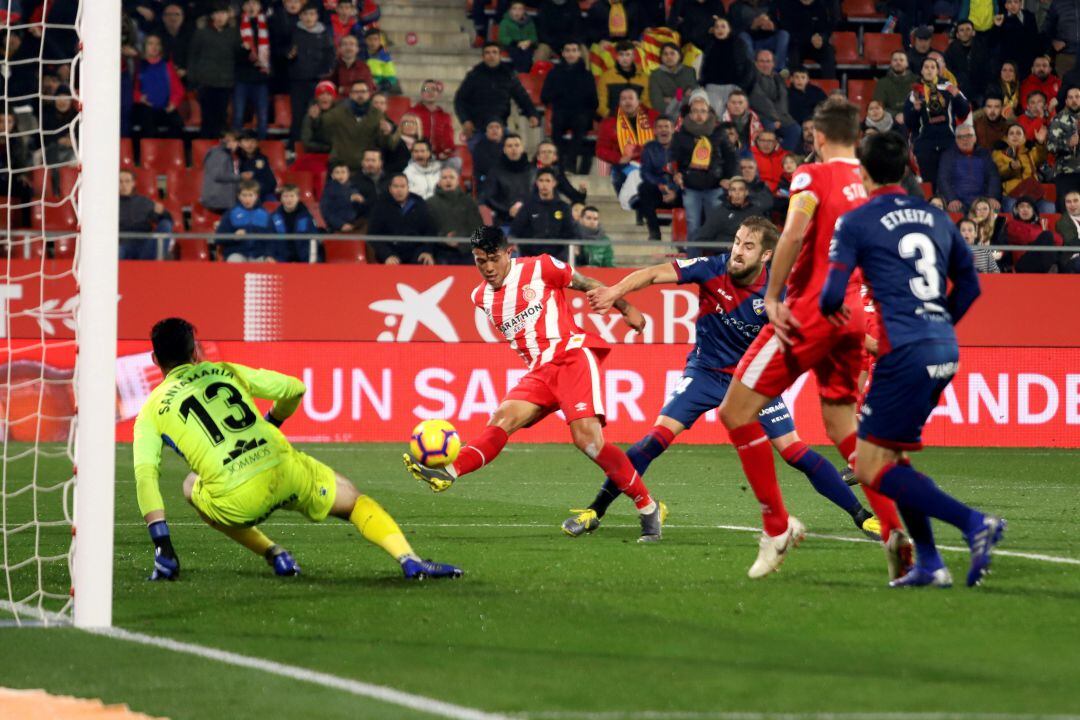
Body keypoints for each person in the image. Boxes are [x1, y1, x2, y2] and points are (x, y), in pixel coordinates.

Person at [581, 217, 880, 538]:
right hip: (705, 373)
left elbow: (826, 325)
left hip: (753, 382)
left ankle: (862, 516)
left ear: (766, 255)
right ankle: (596, 509)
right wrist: (615, 291)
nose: (738, 251)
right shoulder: (712, 268)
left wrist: (878, 347)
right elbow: (653, 273)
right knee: (655, 440)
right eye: (737, 242)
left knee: (794, 451)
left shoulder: (778, 291)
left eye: (748, 246)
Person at [716, 97, 907, 579]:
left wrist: (773, 295)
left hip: (809, 311)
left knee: (735, 412)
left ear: (818, 136)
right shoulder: (871, 184)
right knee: (841, 425)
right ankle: (893, 530)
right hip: (851, 314)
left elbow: (793, 234)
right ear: (856, 136)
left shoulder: (811, 175)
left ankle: (776, 527)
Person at [133, 318, 461, 582]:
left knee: (191, 485)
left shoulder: (150, 411)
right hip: (284, 470)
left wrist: (163, 544)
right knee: (353, 501)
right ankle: (410, 559)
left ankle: (274, 553)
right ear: (195, 352)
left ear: (155, 359)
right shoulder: (224, 370)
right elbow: (295, 388)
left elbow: (146, 476)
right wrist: (273, 421)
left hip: (237, 501)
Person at [820, 130, 1003, 588]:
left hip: (902, 352)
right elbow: (972, 284)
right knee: (894, 456)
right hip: (943, 347)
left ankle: (974, 523)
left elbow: (831, 296)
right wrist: (937, 325)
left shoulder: (857, 220)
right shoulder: (936, 217)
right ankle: (929, 563)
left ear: (863, 172)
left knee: (869, 466)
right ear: (905, 170)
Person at [403, 226, 666, 542]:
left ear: (508, 252)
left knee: (588, 441)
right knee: (502, 419)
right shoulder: (480, 297)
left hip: (570, 355)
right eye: (480, 261)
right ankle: (449, 470)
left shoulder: (541, 266)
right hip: (540, 371)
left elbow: (586, 284)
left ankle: (648, 508)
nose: (488, 268)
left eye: (494, 259)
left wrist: (626, 308)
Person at [672, 91, 735, 247]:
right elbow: (674, 159)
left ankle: (715, 259)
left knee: (715, 225)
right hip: (690, 186)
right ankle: (692, 258)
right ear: (689, 113)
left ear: (709, 112)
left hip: (714, 186)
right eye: (695, 111)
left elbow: (731, 157)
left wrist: (728, 178)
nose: (699, 115)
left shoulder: (719, 132)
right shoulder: (680, 134)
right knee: (693, 225)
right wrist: (676, 174)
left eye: (703, 111)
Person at [454, 43, 540, 149]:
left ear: (500, 55)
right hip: (477, 129)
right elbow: (460, 100)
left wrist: (532, 114)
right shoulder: (474, 75)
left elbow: (522, 97)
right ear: (483, 57)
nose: (491, 55)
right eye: (487, 53)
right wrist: (465, 120)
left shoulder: (508, 74)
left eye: (494, 52)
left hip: (501, 127)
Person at [904, 58, 971, 189]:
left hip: (948, 142)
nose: (929, 70)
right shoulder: (915, 93)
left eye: (932, 67)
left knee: (950, 182)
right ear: (921, 71)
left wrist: (957, 96)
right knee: (929, 184)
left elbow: (964, 111)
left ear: (937, 71)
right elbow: (909, 124)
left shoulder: (948, 87)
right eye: (926, 67)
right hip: (925, 145)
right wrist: (915, 110)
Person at [540, 41, 598, 176]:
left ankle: (570, 165)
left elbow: (593, 100)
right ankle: (559, 166)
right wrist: (558, 97)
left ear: (579, 53)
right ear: (563, 53)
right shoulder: (554, 73)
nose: (571, 53)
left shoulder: (587, 74)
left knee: (580, 125)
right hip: (561, 111)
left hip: (581, 113)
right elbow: (545, 96)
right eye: (568, 50)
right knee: (557, 127)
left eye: (574, 50)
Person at [187, 3, 240, 139]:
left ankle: (220, 147)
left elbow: (238, 56)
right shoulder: (201, 33)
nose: (220, 17)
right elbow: (193, 56)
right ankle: (205, 147)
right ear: (212, 16)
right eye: (217, 13)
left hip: (225, 83)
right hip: (206, 82)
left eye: (223, 13)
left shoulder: (234, 34)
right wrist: (193, 79)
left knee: (221, 118)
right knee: (207, 118)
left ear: (228, 15)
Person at [595, 87, 660, 194]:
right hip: (625, 165)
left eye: (631, 98)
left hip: (651, 164)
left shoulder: (654, 117)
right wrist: (619, 158)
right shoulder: (609, 123)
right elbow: (600, 149)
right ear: (619, 103)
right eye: (623, 99)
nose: (627, 102)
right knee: (624, 175)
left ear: (638, 101)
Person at [287, 4, 336, 143]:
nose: (309, 18)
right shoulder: (293, 32)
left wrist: (325, 71)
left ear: (317, 16)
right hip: (298, 80)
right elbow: (284, 51)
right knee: (298, 114)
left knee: (317, 112)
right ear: (300, 16)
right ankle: (295, 145)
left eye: (312, 14)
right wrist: (289, 55)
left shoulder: (324, 33)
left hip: (317, 81)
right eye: (306, 14)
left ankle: (316, 143)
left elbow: (330, 54)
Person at [366, 174, 437, 265]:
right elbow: (373, 235)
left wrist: (426, 251)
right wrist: (387, 255)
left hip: (416, 252)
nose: (399, 190)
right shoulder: (380, 205)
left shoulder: (419, 203)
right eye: (396, 186)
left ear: (408, 188)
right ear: (390, 188)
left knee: (425, 262)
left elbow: (430, 231)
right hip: (390, 252)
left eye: (402, 186)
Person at [509, 169, 578, 259]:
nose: (544, 184)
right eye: (541, 180)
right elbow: (515, 229)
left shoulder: (563, 207)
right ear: (537, 183)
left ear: (554, 183)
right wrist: (513, 241)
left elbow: (571, 232)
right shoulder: (528, 206)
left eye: (548, 181)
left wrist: (575, 246)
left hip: (558, 258)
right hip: (531, 257)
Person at [321, 81, 387, 174]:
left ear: (369, 94)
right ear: (351, 95)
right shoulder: (338, 112)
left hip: (366, 167)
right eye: (356, 92)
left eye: (363, 92)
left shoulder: (377, 115)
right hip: (340, 165)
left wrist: (386, 132)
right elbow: (323, 126)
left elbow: (381, 142)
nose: (360, 95)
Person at [131, 34, 184, 140]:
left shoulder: (167, 65)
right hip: (146, 107)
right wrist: (140, 98)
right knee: (148, 125)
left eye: (157, 44)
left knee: (177, 123)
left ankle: (171, 150)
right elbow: (132, 90)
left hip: (165, 107)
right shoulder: (138, 65)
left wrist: (173, 103)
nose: (154, 47)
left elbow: (178, 89)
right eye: (150, 44)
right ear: (145, 47)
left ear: (161, 47)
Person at [937, 126, 1001, 213]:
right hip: (958, 202)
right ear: (956, 140)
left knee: (995, 209)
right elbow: (943, 179)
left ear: (975, 138)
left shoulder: (984, 154)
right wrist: (951, 199)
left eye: (968, 136)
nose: (965, 140)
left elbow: (993, 176)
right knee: (954, 210)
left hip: (982, 200)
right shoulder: (948, 156)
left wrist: (992, 196)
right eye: (960, 137)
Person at [427, 166, 484, 264]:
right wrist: (444, 238)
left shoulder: (469, 202)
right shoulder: (430, 203)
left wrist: (460, 240)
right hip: (440, 252)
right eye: (444, 178)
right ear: (439, 182)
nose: (448, 180)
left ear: (457, 181)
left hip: (467, 252)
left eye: (451, 177)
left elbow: (477, 228)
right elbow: (427, 230)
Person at [994, 123, 1053, 213]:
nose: (1015, 136)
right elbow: (998, 172)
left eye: (1018, 133)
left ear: (1024, 137)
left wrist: (1040, 143)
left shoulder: (1030, 152)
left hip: (1032, 195)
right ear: (1006, 137)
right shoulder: (999, 153)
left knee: (1049, 207)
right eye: (1011, 133)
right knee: (1012, 206)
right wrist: (1010, 167)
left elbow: (1041, 157)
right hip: (1011, 195)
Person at [748, 49, 801, 151]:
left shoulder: (777, 77)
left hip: (780, 116)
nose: (765, 64)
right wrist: (776, 118)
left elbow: (783, 99)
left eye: (768, 61)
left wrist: (780, 118)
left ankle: (784, 157)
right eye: (762, 61)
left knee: (795, 130)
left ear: (773, 63)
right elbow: (760, 101)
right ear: (755, 63)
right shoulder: (752, 78)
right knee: (770, 127)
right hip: (761, 117)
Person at [699, 16, 753, 115]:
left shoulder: (739, 44)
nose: (720, 30)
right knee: (716, 115)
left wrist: (742, 86)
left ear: (729, 29)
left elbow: (748, 66)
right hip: (712, 87)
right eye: (716, 27)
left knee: (736, 114)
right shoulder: (709, 44)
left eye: (723, 26)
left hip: (734, 86)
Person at [638, 116, 680, 241]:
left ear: (673, 129)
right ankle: (655, 233)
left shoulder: (682, 148)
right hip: (658, 190)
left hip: (679, 192)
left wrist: (674, 190)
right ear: (655, 131)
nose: (663, 130)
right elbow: (645, 172)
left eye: (666, 126)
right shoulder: (649, 148)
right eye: (660, 127)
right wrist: (661, 185)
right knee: (643, 188)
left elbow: (686, 173)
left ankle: (686, 237)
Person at [234, 0, 271, 139]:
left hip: (261, 78)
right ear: (243, 6)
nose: (251, 7)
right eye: (248, 3)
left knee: (262, 116)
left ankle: (262, 145)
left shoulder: (268, 24)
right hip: (241, 77)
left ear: (260, 6)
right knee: (238, 115)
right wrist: (244, 51)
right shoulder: (236, 26)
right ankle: (235, 146)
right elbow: (232, 52)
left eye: (254, 3)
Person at [693, 175, 768, 244]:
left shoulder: (755, 212)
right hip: (725, 252)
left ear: (746, 192)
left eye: (741, 189)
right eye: (733, 190)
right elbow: (701, 239)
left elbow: (767, 235)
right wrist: (726, 246)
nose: (737, 193)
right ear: (729, 192)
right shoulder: (720, 212)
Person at [480, 133, 535, 226]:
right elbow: (489, 197)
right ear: (504, 150)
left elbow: (538, 195)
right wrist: (508, 210)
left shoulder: (533, 171)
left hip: (531, 219)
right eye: (510, 146)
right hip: (504, 220)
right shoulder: (495, 172)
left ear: (522, 148)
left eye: (517, 145)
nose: (513, 149)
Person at [119, 168, 173, 260]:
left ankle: (159, 259)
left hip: (145, 246)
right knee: (116, 252)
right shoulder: (110, 204)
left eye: (127, 181)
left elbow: (166, 220)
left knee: (166, 224)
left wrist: (162, 212)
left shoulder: (144, 202)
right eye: (120, 182)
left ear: (133, 183)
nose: (124, 185)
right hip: (122, 245)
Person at [216, 179, 275, 262]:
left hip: (259, 255)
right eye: (244, 195)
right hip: (236, 253)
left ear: (256, 196)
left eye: (250, 195)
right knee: (233, 261)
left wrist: (269, 255)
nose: (247, 199)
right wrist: (233, 237)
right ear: (239, 196)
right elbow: (218, 238)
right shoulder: (230, 213)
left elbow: (272, 240)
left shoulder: (265, 215)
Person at [779, 0, 837, 80]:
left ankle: (829, 84)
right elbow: (786, 31)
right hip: (796, 44)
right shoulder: (789, 5)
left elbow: (826, 30)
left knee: (828, 51)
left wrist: (821, 38)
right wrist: (809, 38)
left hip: (815, 45)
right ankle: (794, 83)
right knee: (792, 52)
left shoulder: (820, 6)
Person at [989, 0, 1041, 84]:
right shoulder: (1001, 19)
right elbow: (992, 43)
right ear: (1005, 5)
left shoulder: (1029, 16)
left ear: (1020, 4)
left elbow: (1035, 41)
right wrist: (997, 26)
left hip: (1027, 63)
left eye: (1016, 2)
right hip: (1009, 65)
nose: (1013, 5)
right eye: (1009, 2)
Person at [731, 0, 790, 72]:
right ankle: (753, 70)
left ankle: (777, 70)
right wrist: (752, 27)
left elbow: (779, 24)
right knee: (743, 36)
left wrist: (773, 26)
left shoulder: (769, 4)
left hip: (768, 38)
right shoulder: (736, 6)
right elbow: (733, 29)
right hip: (749, 40)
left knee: (784, 34)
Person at [596, 41, 651, 118]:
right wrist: (611, 116)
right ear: (616, 56)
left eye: (628, 54)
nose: (624, 58)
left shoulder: (643, 78)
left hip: (637, 119)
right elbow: (601, 105)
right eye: (621, 54)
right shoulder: (606, 77)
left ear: (633, 56)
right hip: (612, 118)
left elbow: (646, 103)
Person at [410, 80, 457, 166]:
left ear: (438, 94)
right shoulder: (412, 113)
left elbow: (449, 141)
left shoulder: (445, 116)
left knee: (456, 162)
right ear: (422, 94)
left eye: (434, 89)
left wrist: (447, 152)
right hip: (417, 154)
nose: (430, 92)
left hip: (439, 156)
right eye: (426, 89)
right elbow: (407, 136)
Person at [1048, 86, 1080, 209]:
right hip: (1066, 172)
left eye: (1077, 97)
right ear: (1066, 101)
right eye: (1070, 97)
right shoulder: (1058, 119)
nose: (1074, 100)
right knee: (1066, 210)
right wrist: (1067, 144)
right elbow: (1050, 146)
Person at [270, 183, 318, 263]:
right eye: (285, 196)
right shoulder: (274, 217)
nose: (289, 199)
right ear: (281, 199)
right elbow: (269, 240)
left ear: (298, 198)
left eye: (292, 196)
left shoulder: (307, 217)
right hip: (280, 260)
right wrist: (271, 256)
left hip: (304, 260)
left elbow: (313, 239)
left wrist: (311, 260)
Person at [944, 19, 988, 104]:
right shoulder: (951, 50)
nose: (965, 32)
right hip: (959, 91)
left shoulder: (983, 48)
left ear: (973, 32)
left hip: (980, 92)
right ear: (957, 35)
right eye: (962, 30)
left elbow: (988, 71)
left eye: (968, 29)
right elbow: (948, 71)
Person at [649, 43, 697, 119]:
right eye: (665, 54)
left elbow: (693, 97)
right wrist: (683, 96)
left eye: (672, 53)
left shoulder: (689, 71)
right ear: (661, 57)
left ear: (679, 56)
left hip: (689, 114)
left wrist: (673, 100)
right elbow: (657, 102)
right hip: (666, 117)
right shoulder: (655, 75)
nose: (669, 57)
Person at [200, 130, 242, 216]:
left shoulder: (228, 154)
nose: (233, 144)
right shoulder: (218, 154)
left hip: (224, 199)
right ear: (222, 140)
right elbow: (217, 175)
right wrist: (240, 177)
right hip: (217, 200)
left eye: (235, 141)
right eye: (229, 140)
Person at [535, 140, 587, 205]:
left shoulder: (558, 174)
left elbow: (574, 196)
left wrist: (582, 191)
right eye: (543, 152)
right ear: (538, 156)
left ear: (555, 157)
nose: (546, 155)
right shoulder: (529, 171)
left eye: (550, 152)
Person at [320, 161, 368, 233]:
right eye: (337, 172)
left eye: (343, 172)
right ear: (332, 175)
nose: (341, 175)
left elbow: (360, 210)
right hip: (337, 227)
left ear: (348, 174)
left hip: (355, 224)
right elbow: (326, 211)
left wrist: (361, 202)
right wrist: (340, 225)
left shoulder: (354, 188)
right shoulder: (329, 190)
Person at [873, 51, 917, 126]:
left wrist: (907, 115)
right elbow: (878, 106)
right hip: (889, 121)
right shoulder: (882, 83)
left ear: (907, 63)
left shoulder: (917, 81)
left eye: (901, 60)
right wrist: (895, 115)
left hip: (914, 120)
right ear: (891, 63)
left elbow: (922, 103)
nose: (898, 62)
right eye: (895, 60)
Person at [237, 132, 278, 203]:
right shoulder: (235, 158)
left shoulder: (262, 159)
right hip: (241, 193)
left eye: (253, 141)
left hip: (261, 193)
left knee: (273, 203)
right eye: (246, 141)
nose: (250, 144)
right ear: (239, 143)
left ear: (257, 144)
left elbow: (272, 182)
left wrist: (257, 190)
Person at [499, 1, 539, 72]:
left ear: (524, 11)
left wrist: (529, 42)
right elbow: (503, 37)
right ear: (510, 10)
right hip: (511, 45)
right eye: (514, 9)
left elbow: (533, 36)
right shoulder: (504, 22)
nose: (517, 12)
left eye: (520, 9)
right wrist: (517, 43)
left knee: (527, 53)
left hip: (526, 45)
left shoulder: (530, 22)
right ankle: (519, 72)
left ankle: (524, 73)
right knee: (516, 52)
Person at [300, 80, 338, 155]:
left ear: (334, 98)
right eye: (321, 94)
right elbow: (307, 142)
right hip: (316, 154)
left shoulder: (340, 114)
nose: (325, 97)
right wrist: (315, 121)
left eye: (329, 94)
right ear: (316, 98)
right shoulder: (310, 116)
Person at [359, 29, 401, 95]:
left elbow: (391, 79)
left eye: (375, 39)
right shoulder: (359, 55)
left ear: (380, 41)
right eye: (370, 39)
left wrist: (379, 86)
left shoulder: (385, 58)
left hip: (378, 89)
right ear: (365, 40)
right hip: (360, 88)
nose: (372, 42)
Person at [1045, 0, 1080, 76]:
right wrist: (1053, 41)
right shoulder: (1057, 3)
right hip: (1065, 56)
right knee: (1065, 83)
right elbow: (1047, 29)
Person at [472, 120, 506, 187]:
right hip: (486, 182)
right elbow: (477, 172)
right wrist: (485, 179)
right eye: (491, 127)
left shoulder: (508, 146)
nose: (494, 130)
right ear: (486, 132)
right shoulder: (479, 147)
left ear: (502, 132)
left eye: (497, 127)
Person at [1054, 189, 1080, 272]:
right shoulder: (1062, 222)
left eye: (1075, 201)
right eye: (1068, 202)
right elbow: (1073, 242)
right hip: (1072, 257)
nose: (1072, 205)